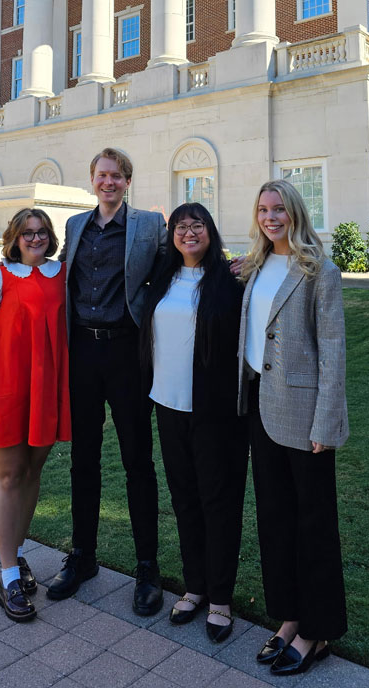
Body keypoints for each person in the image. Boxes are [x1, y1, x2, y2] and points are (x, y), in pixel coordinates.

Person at [46, 148, 167, 616]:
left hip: (127, 352)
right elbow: (55, 274)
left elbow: (177, 265)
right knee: (84, 459)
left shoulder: (149, 226)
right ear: (92, 180)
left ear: (128, 181)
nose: (109, 182)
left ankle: (147, 566)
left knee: (138, 460)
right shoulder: (76, 226)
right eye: (102, 175)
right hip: (83, 352)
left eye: (117, 176)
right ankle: (83, 557)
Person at [237, 179, 348, 675]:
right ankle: (287, 618)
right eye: (263, 209)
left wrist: (327, 420)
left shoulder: (320, 271)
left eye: (279, 208)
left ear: (295, 213)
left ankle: (315, 631)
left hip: (306, 420)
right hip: (261, 411)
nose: (270, 217)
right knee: (275, 520)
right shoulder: (257, 267)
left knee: (313, 525)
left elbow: (333, 353)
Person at [140, 204, 246, 643]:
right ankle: (195, 586)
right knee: (184, 499)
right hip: (168, 405)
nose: (188, 232)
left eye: (196, 225)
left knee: (218, 501)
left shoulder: (230, 280)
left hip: (215, 412)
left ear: (210, 231)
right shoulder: (162, 279)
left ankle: (221, 597)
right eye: (180, 226)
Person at [0, 208, 70, 623]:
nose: (35, 238)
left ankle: (19, 554)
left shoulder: (61, 273)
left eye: (42, 231)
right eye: (28, 232)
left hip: (47, 389)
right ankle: (8, 576)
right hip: (6, 387)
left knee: (31, 473)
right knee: (8, 476)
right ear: (14, 236)